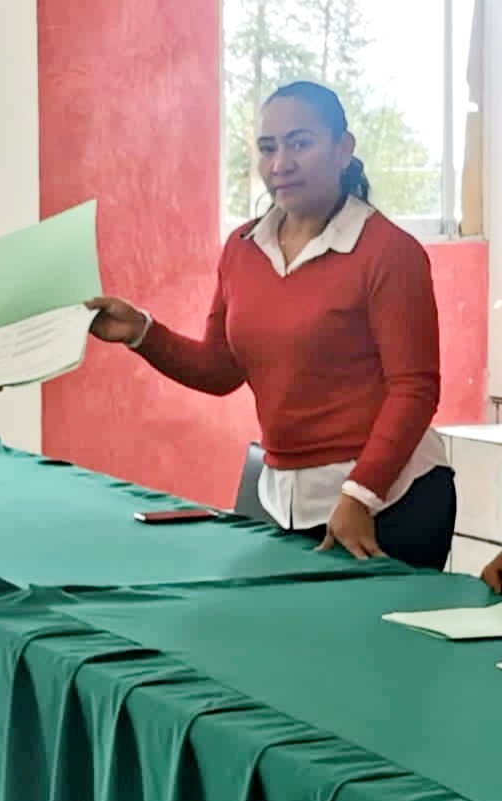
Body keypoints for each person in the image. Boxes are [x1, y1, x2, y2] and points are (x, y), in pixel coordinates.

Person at [87, 80, 455, 571]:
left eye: (300, 143)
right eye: (267, 147)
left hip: (389, 500)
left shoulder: (389, 252)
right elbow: (219, 369)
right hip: (284, 499)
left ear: (343, 148)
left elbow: (414, 390)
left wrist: (360, 495)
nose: (281, 163)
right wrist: (141, 332)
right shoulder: (242, 248)